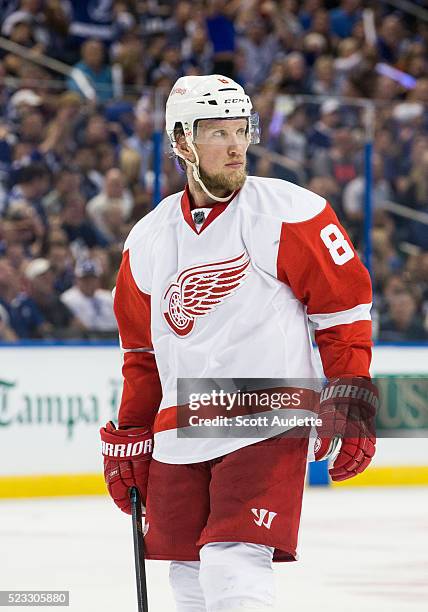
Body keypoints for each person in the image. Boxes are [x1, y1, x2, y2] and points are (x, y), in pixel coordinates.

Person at [100, 75, 377, 612]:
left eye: (240, 130)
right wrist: (132, 432)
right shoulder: (148, 239)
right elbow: (142, 357)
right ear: (181, 142)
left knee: (232, 562)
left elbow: (343, 311)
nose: (235, 146)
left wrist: (352, 392)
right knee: (186, 573)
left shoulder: (290, 212)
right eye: (216, 133)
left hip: (266, 411)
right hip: (182, 423)